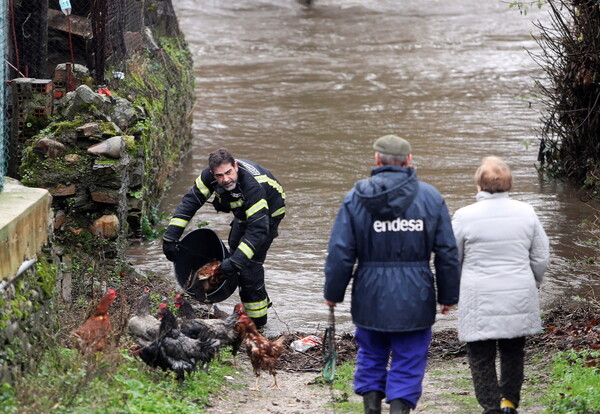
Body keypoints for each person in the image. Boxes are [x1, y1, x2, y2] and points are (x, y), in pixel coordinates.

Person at [323, 135, 461, 414]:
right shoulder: (430, 197)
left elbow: (341, 251)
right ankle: (399, 410)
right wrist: (448, 295)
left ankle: (372, 409)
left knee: (371, 353)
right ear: (408, 161)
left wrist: (333, 293)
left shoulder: (356, 197)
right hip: (416, 293)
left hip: (370, 292)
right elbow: (447, 252)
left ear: (377, 160)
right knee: (409, 358)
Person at [451, 156, 549, 414]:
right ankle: (509, 402)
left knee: (481, 356)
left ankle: (491, 407)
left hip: (478, 297)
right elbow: (540, 257)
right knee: (513, 351)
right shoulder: (527, 212)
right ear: (509, 184)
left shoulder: (464, 216)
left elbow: (452, 259)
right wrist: (532, 283)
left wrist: (454, 289)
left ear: (479, 185)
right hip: (518, 294)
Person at [162, 148, 286, 330]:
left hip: (268, 217)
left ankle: (258, 326)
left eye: (229, 173)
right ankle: (258, 299)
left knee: (248, 266)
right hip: (243, 215)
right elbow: (190, 202)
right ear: (212, 173)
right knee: (235, 253)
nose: (225, 179)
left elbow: (258, 230)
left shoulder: (252, 186)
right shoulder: (208, 176)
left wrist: (236, 263)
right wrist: (171, 236)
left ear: (235, 166)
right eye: (219, 176)